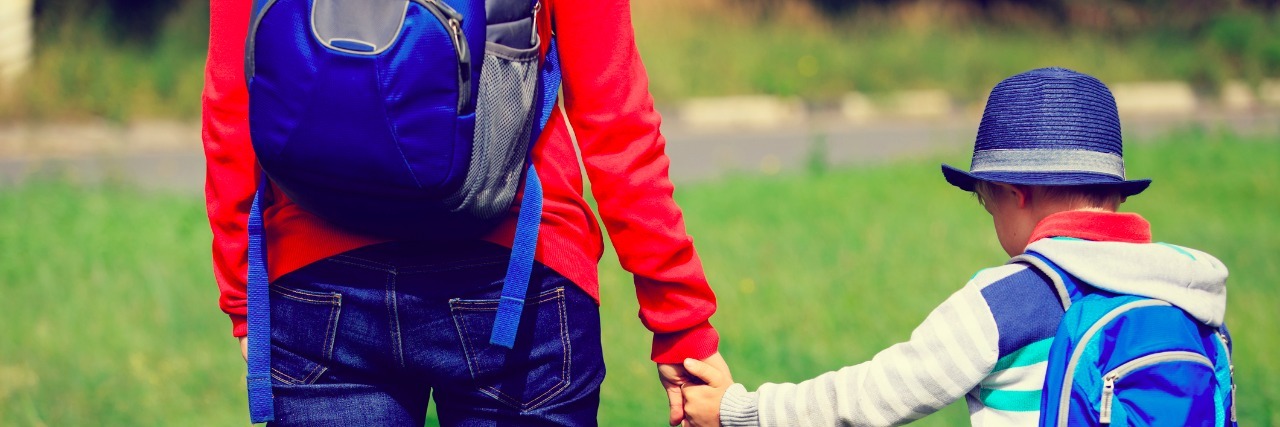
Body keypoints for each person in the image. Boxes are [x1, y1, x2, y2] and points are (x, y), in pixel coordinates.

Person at [202, 0, 729, 425]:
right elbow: (614, 118)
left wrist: (242, 295)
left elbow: (231, 97)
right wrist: (680, 322)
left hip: (317, 283)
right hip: (516, 280)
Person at [678, 67, 1230, 426]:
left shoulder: (1012, 301)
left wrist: (740, 410)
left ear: (1015, 195)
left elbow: (874, 396)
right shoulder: (1190, 295)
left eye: (986, 204)